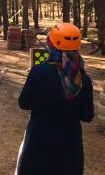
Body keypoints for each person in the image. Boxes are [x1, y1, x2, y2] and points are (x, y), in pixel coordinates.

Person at [15, 23, 94, 175]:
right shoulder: (83, 79)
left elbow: (23, 103)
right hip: (70, 146)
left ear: (51, 44)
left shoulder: (39, 71)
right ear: (77, 47)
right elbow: (87, 116)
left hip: (38, 142)